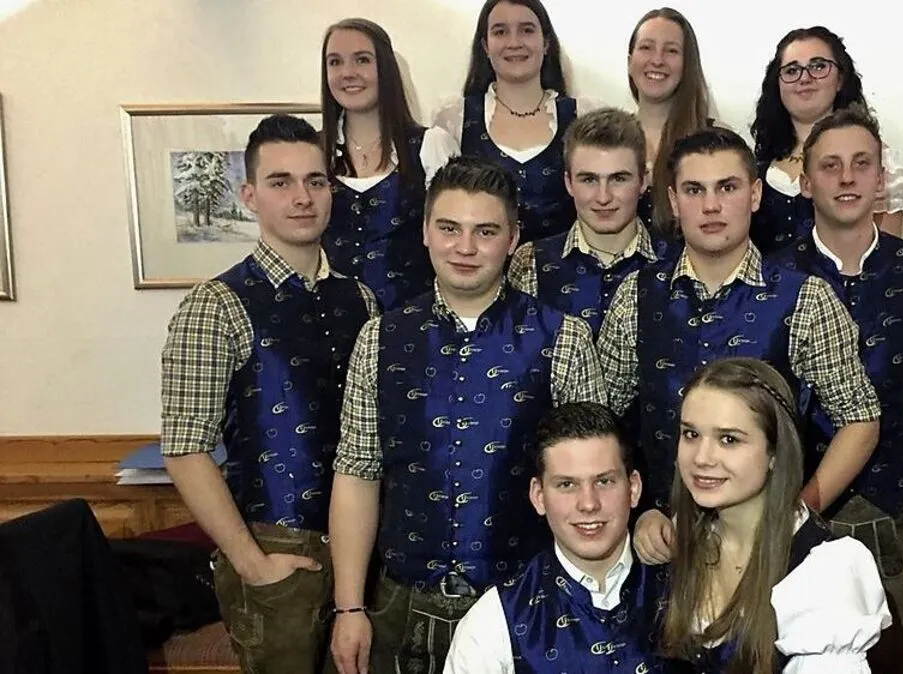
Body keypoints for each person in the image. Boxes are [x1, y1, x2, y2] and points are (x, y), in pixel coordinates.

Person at [327, 156, 609, 674]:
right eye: (449, 228)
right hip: (402, 605)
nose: (465, 247)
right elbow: (357, 474)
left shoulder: (564, 338)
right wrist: (349, 607)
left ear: (512, 238)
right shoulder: (379, 339)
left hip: (527, 604)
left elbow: (592, 482)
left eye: (485, 231)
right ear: (425, 232)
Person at [160, 114, 377, 674]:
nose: (302, 197)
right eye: (281, 182)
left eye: (315, 181)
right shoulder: (215, 305)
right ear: (250, 196)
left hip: (367, 549)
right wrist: (251, 563)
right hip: (277, 548)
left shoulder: (361, 299)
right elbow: (184, 449)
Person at [594, 126, 881, 542]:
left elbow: (860, 420)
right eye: (694, 190)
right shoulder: (635, 295)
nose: (711, 205)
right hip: (664, 542)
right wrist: (636, 510)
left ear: (755, 194)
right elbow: (602, 422)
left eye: (727, 187)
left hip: (769, 548)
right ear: (673, 201)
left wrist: (794, 516)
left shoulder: (807, 298)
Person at [771, 104, 903, 674]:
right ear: (806, 182)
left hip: (891, 513)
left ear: (880, 178)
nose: (847, 177)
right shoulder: (773, 273)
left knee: (893, 663)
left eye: (861, 164)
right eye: (830, 165)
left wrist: (879, 461)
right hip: (792, 514)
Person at [658, 357, 890, 674]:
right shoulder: (687, 538)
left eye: (729, 439)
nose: (702, 457)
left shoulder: (823, 574)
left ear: (774, 452)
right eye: (691, 434)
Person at [443, 402, 667, 674]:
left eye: (604, 481)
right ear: (539, 496)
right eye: (567, 485)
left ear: (633, 488)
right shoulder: (491, 625)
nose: (588, 503)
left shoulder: (689, 593)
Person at [432, 0, 603, 242]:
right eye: (500, 32)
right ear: (485, 46)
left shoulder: (583, 116)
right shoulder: (454, 119)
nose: (514, 42)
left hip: (568, 265)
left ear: (546, 42)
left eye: (527, 30)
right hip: (478, 263)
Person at [320, 17, 459, 312]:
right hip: (328, 325)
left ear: (385, 67)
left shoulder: (430, 146)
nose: (347, 73)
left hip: (416, 324)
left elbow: (456, 240)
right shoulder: (312, 152)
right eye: (335, 62)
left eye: (362, 60)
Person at [749, 26, 903, 253]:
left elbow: (885, 259)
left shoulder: (874, 159)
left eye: (818, 66)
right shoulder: (756, 163)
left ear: (840, 80)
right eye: (792, 70)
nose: (804, 78)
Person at [507, 107, 669, 337]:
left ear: (643, 181)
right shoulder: (530, 262)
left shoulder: (675, 263)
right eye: (589, 179)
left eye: (618, 179)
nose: (603, 197)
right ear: (569, 183)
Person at [626, 7, 717, 233]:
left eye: (671, 51)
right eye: (646, 47)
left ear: (687, 65)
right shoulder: (610, 139)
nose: (657, 60)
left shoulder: (715, 139)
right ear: (629, 61)